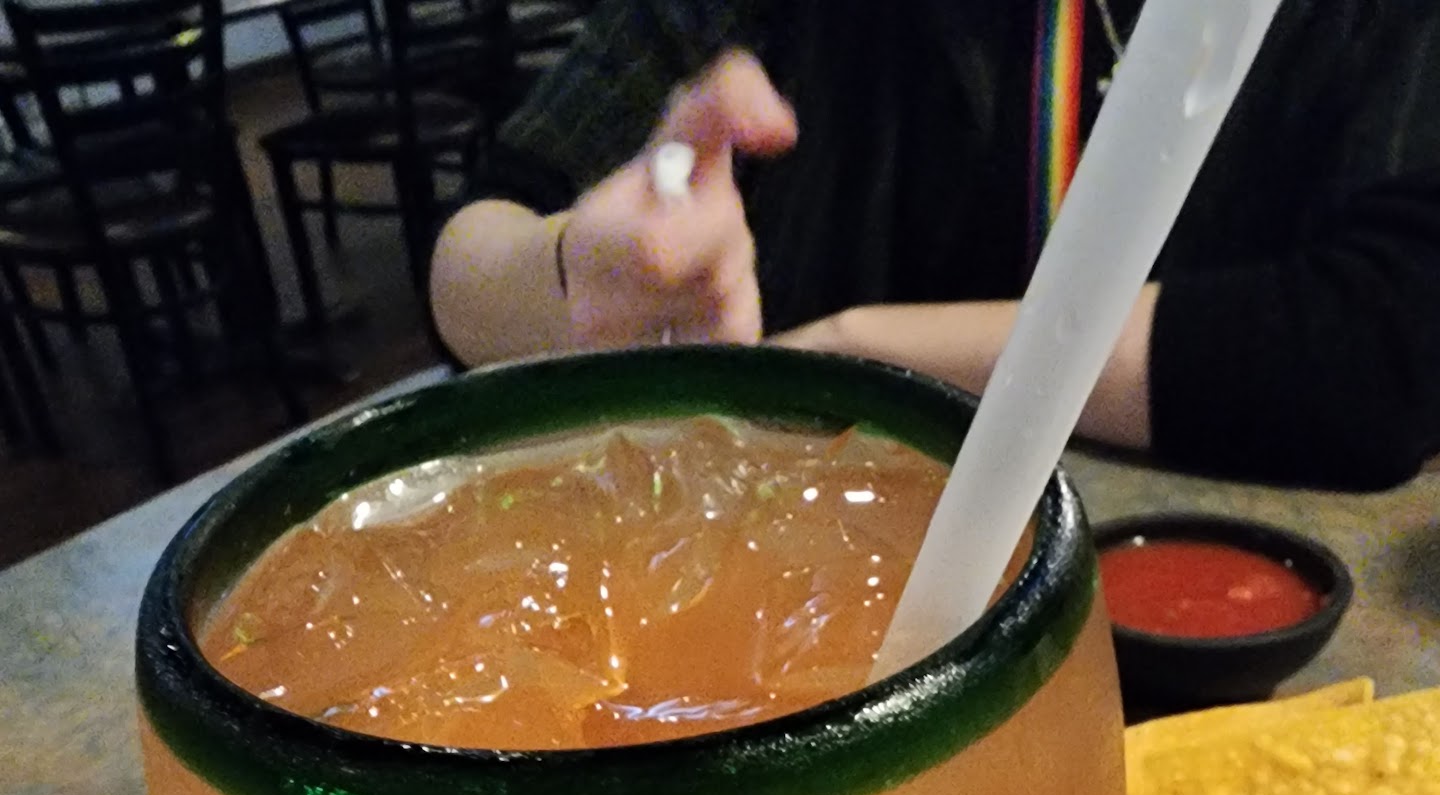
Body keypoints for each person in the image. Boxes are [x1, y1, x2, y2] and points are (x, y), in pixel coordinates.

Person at [430, 0, 1440, 491]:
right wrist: (578, 276)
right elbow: (472, 249)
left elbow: (1384, 350)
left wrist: (848, 351)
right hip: (792, 602)